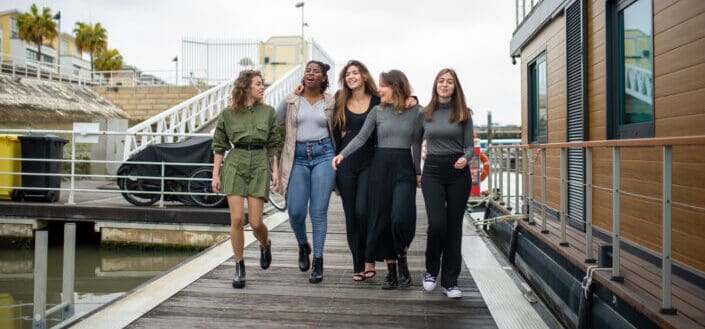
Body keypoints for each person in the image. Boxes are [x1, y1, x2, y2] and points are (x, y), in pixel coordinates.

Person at [333, 69, 422, 290]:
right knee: (382, 220)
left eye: (383, 85)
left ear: (396, 87)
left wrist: (418, 171)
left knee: (401, 217)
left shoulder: (417, 111)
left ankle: (402, 256)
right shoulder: (377, 111)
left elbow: (421, 139)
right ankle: (392, 272)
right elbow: (362, 137)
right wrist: (343, 154)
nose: (379, 89)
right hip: (380, 167)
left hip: (404, 168)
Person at [211, 70, 283, 289]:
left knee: (255, 222)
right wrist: (215, 173)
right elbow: (219, 144)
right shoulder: (228, 114)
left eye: (262, 84)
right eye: (258, 84)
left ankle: (264, 244)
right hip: (235, 163)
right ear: (246, 87)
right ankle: (239, 266)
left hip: (259, 164)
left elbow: (273, 144)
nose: (262, 87)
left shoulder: (269, 112)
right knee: (236, 221)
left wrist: (276, 171)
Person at [276, 60, 336, 284]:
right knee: (296, 211)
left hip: (324, 155)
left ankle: (318, 261)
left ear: (323, 78)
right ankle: (303, 245)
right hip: (297, 158)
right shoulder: (294, 100)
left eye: (316, 71)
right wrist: (291, 95)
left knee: (318, 211)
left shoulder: (330, 101)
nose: (311, 74)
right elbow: (276, 119)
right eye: (308, 71)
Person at [415, 68, 474, 299]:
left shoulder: (464, 114)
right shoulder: (425, 112)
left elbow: (469, 145)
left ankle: (450, 281)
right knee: (437, 224)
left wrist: (465, 158)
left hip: (458, 172)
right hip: (433, 171)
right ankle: (431, 271)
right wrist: (416, 171)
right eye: (441, 80)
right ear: (435, 85)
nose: (445, 84)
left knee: (454, 227)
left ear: (455, 86)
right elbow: (416, 141)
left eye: (449, 81)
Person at [332, 60, 381, 282]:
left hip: (370, 161)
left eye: (355, 72)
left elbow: (401, 102)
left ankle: (370, 259)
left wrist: (414, 100)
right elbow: (332, 128)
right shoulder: (340, 100)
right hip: (346, 163)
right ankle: (359, 264)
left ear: (363, 76)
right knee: (351, 216)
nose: (351, 76)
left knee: (364, 211)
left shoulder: (378, 100)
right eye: (347, 74)